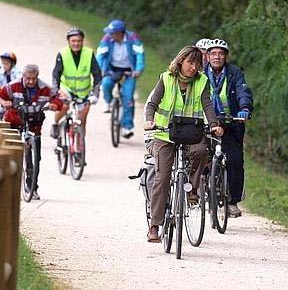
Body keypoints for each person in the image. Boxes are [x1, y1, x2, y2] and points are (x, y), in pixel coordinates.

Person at [144, 45, 224, 242]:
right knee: (162, 179)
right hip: (165, 135)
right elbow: (153, 103)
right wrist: (149, 119)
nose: (194, 67)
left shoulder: (202, 81)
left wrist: (214, 124)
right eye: (190, 62)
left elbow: (207, 104)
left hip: (191, 133)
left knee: (201, 150)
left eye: (197, 64)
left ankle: (192, 191)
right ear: (180, 61)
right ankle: (155, 225)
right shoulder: (166, 78)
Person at [0, 64, 63, 200]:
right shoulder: (14, 86)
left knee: (35, 158)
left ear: (37, 77)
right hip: (14, 123)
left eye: (34, 78)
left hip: (34, 125)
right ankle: (4, 186)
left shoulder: (44, 88)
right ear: (23, 76)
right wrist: (4, 102)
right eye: (28, 78)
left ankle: (32, 187)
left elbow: (59, 98)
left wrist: (55, 105)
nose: (31, 81)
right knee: (8, 155)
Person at [204, 38, 253, 218]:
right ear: (207, 56)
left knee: (235, 160)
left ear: (226, 57)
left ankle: (232, 201)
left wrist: (244, 109)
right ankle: (200, 191)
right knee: (201, 155)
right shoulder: (200, 74)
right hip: (207, 122)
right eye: (213, 53)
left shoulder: (234, 73)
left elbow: (243, 92)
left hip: (231, 121)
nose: (217, 57)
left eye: (221, 54)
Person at [97, 19, 145, 138]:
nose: (109, 34)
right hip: (112, 69)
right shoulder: (107, 39)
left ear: (119, 33)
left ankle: (127, 127)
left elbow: (140, 55)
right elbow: (100, 55)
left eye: (111, 32)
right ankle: (108, 102)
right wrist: (100, 69)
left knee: (128, 98)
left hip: (129, 71)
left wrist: (138, 69)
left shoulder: (133, 38)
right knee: (106, 84)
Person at [50, 27, 102, 138]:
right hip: (67, 88)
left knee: (82, 119)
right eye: (73, 41)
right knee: (63, 106)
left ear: (82, 41)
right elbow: (56, 75)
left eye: (79, 41)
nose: (76, 43)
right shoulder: (62, 54)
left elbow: (97, 75)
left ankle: (79, 145)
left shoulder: (89, 53)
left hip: (84, 91)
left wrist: (95, 94)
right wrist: (56, 92)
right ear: (68, 42)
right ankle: (55, 124)